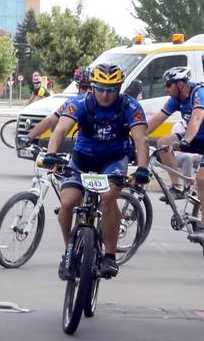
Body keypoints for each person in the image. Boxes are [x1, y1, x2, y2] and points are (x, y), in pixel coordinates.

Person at [39, 62, 152, 280]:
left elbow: (141, 139)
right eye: (100, 89)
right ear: (92, 87)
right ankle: (69, 251)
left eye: (111, 90)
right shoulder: (80, 102)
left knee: (108, 198)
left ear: (119, 89)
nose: (105, 95)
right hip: (83, 158)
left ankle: (109, 256)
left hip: (113, 160)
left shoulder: (130, 106)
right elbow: (60, 129)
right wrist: (51, 154)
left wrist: (142, 168)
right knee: (67, 202)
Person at [149, 65, 204, 231]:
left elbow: (196, 119)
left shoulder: (201, 94)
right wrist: (136, 136)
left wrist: (185, 141)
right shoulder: (176, 99)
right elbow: (157, 120)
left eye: (169, 85)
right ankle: (177, 187)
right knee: (162, 143)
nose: (166, 89)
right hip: (197, 138)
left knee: (202, 179)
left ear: (180, 84)